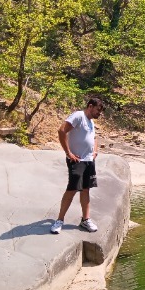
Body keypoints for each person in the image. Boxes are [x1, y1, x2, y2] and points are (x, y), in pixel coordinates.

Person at [50, 98, 105, 234]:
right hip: (77, 161)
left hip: (88, 161)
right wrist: (69, 153)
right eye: (98, 110)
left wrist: (95, 151)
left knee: (85, 189)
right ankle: (59, 220)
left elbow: (94, 138)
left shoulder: (90, 122)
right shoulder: (78, 116)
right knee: (72, 190)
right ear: (90, 106)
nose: (99, 113)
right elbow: (62, 130)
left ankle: (85, 220)